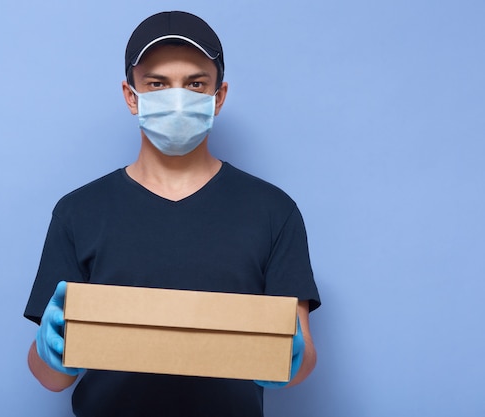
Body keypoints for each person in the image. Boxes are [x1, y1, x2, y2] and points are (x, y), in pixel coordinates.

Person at [24, 10, 320, 417]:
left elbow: (299, 361)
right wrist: (51, 353)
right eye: (157, 84)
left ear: (218, 97)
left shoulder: (273, 211)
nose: (177, 97)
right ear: (132, 96)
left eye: (195, 83)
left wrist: (292, 358)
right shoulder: (79, 211)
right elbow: (51, 378)